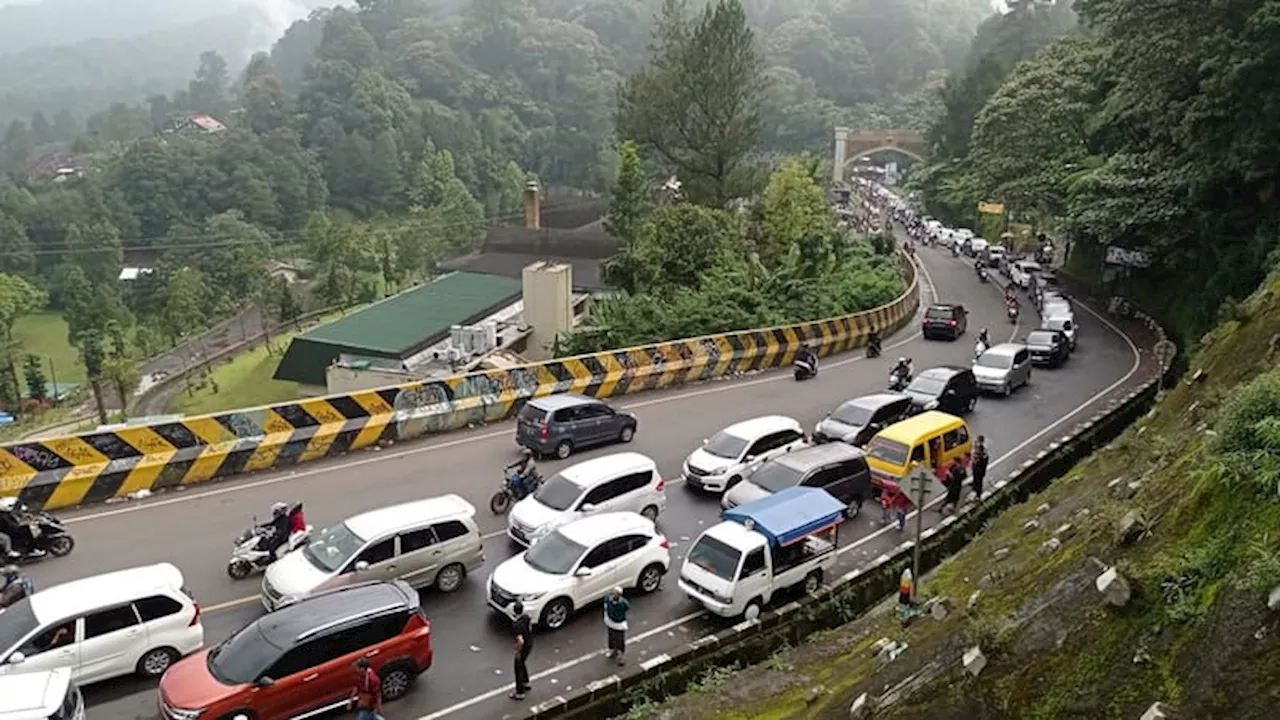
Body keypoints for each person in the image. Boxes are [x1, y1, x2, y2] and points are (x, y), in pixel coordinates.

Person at [510, 602, 534, 700]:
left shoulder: (516, 625)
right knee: (522, 663)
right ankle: (526, 682)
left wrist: (518, 652)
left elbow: (520, 641)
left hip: (524, 646)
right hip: (530, 643)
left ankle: (520, 691)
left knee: (518, 666)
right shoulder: (526, 617)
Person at [603, 587, 630, 665]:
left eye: (615, 593)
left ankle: (621, 656)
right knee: (611, 637)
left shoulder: (623, 603)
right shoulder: (608, 599)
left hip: (619, 624)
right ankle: (613, 650)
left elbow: (627, 607)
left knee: (620, 639)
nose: (613, 595)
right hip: (610, 621)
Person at [971, 436, 990, 501]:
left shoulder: (983, 453)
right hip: (976, 468)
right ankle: (975, 490)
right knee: (975, 479)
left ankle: (978, 495)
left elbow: (983, 463)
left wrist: (976, 461)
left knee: (979, 481)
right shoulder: (977, 446)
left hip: (979, 469)